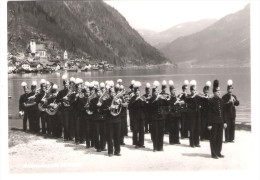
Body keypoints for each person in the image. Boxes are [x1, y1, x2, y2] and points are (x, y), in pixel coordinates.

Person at [182, 80, 208, 148]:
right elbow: (186, 99)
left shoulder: (197, 97)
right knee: (192, 129)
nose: (195, 91)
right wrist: (192, 95)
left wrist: (205, 96)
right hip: (191, 115)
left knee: (197, 129)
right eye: (194, 90)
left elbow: (204, 100)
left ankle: (197, 143)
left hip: (198, 115)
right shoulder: (189, 96)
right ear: (191, 91)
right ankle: (192, 143)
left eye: (196, 90)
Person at [208, 80, 227, 159]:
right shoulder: (211, 101)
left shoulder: (222, 101)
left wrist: (225, 122)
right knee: (213, 138)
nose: (219, 92)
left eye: (220, 91)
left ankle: (218, 152)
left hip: (220, 122)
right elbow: (208, 114)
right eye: (218, 91)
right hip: (213, 122)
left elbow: (223, 113)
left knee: (220, 138)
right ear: (214, 92)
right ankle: (214, 153)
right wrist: (209, 124)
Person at [89, 85, 107, 152]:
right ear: (96, 93)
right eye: (98, 92)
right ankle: (98, 147)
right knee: (96, 133)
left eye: (100, 92)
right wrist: (97, 106)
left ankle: (103, 146)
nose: (99, 93)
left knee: (103, 133)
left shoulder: (104, 100)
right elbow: (91, 109)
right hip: (96, 118)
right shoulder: (93, 100)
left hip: (103, 118)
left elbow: (106, 108)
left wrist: (102, 106)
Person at [105, 85, 122, 156]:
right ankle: (110, 152)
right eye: (111, 92)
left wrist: (120, 103)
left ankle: (117, 151)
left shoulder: (118, 100)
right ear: (109, 93)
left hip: (117, 120)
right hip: (110, 120)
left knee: (117, 136)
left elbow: (121, 109)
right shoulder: (107, 101)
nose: (113, 94)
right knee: (110, 136)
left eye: (114, 92)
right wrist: (109, 108)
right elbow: (104, 110)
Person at [149, 81, 165, 152]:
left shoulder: (161, 99)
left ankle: (160, 147)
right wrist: (156, 100)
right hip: (154, 118)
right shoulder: (151, 99)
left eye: (158, 92)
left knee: (161, 133)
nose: (157, 93)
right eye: (156, 92)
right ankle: (155, 147)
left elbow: (166, 105)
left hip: (161, 118)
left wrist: (165, 99)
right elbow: (150, 107)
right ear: (153, 93)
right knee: (155, 133)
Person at [128, 81, 145, 148]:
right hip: (135, 117)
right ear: (135, 92)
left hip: (141, 116)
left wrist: (144, 101)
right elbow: (129, 107)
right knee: (136, 130)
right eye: (137, 91)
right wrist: (135, 100)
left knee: (141, 130)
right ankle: (136, 143)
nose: (138, 92)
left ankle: (141, 143)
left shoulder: (142, 97)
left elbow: (145, 107)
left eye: (139, 91)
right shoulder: (133, 98)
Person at [168, 80, 183, 144]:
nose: (174, 91)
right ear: (171, 91)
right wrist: (175, 103)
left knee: (177, 127)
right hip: (172, 115)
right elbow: (169, 105)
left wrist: (179, 103)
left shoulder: (176, 97)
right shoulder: (169, 97)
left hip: (177, 115)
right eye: (173, 90)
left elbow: (178, 106)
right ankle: (171, 141)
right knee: (172, 128)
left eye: (175, 90)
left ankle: (176, 140)